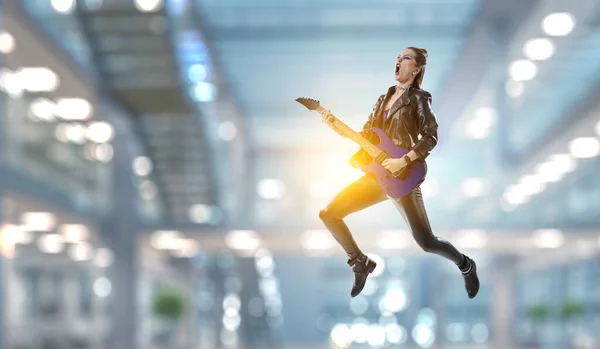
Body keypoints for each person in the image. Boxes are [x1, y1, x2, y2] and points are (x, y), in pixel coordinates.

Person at [318, 47, 480, 299]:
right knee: (329, 214)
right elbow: (367, 136)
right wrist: (339, 129)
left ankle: (466, 264)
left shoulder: (419, 98)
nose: (398, 60)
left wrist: (405, 160)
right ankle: (359, 262)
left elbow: (430, 136)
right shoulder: (383, 98)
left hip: (404, 177)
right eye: (397, 56)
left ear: (415, 69)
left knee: (426, 242)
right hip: (376, 176)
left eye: (405, 57)